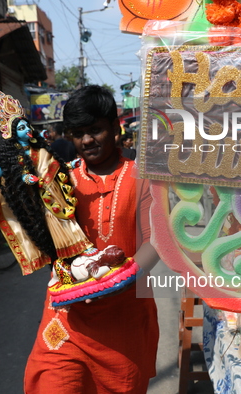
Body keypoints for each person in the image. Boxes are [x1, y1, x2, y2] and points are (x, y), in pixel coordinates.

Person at [23, 85, 160, 393]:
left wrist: (116, 281)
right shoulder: (62, 180)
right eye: (77, 133)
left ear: (115, 127)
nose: (86, 140)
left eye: (95, 130)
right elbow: (49, 244)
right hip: (68, 320)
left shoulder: (143, 176)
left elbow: (156, 241)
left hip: (123, 317)